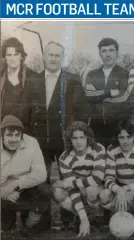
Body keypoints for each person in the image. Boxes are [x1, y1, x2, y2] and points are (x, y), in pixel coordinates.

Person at [22, 41, 89, 183]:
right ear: (44, 57)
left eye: (57, 55)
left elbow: (82, 112)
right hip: (38, 141)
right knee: (39, 183)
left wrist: (75, 137)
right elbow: (25, 113)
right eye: (50, 55)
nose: (53, 59)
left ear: (63, 58)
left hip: (64, 140)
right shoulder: (32, 80)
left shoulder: (72, 80)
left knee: (69, 183)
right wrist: (29, 139)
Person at [52, 121, 106, 237]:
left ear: (88, 138)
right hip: (78, 189)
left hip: (96, 188)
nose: (78, 141)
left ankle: (98, 216)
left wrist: (70, 183)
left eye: (82, 137)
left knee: (91, 189)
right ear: (69, 140)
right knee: (58, 192)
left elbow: (97, 179)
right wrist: (83, 219)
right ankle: (83, 217)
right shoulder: (64, 158)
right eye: (74, 138)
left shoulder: (98, 149)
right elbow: (72, 190)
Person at [0, 115, 51, 236]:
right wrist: (4, 193)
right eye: (9, 135)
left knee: (45, 190)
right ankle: (7, 221)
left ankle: (30, 223)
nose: (13, 139)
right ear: (2, 136)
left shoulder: (31, 142)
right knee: (5, 227)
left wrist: (15, 184)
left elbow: (41, 173)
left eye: (17, 135)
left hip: (24, 187)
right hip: (3, 189)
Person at [84, 38, 130, 148]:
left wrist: (97, 95)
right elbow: (88, 96)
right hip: (96, 127)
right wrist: (108, 93)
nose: (108, 54)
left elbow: (122, 97)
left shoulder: (125, 74)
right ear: (99, 53)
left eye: (111, 50)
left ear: (117, 52)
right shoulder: (92, 74)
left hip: (119, 127)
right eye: (104, 51)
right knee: (98, 162)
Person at [100, 120, 134, 216]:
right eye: (121, 137)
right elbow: (108, 178)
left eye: (129, 137)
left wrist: (125, 189)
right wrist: (119, 190)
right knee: (104, 194)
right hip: (119, 191)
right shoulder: (112, 149)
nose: (125, 141)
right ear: (117, 138)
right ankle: (114, 213)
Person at [0, 37, 37, 122]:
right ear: (4, 57)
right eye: (9, 55)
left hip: (26, 129)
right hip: (3, 128)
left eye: (16, 54)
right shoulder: (1, 76)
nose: (12, 58)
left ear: (22, 56)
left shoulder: (32, 77)